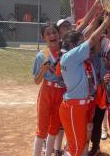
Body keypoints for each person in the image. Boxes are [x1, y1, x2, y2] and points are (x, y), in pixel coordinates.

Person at [58, 11, 110, 156]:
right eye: (79, 44)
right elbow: (91, 39)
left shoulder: (71, 55)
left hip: (79, 105)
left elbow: (87, 36)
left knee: (79, 143)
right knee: (76, 146)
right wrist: (105, 22)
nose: (82, 46)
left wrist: (98, 17)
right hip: (73, 106)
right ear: (72, 45)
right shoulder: (69, 57)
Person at [32, 24, 66, 156]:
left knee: (54, 127)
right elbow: (36, 81)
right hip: (47, 90)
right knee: (42, 127)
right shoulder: (42, 55)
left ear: (59, 35)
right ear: (43, 37)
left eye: (54, 33)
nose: (52, 36)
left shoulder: (65, 53)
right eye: (48, 34)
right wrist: (43, 70)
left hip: (61, 92)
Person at [89, 27, 110, 155]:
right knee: (96, 122)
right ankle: (95, 146)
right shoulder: (101, 63)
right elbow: (97, 50)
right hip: (102, 97)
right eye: (107, 59)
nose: (109, 61)